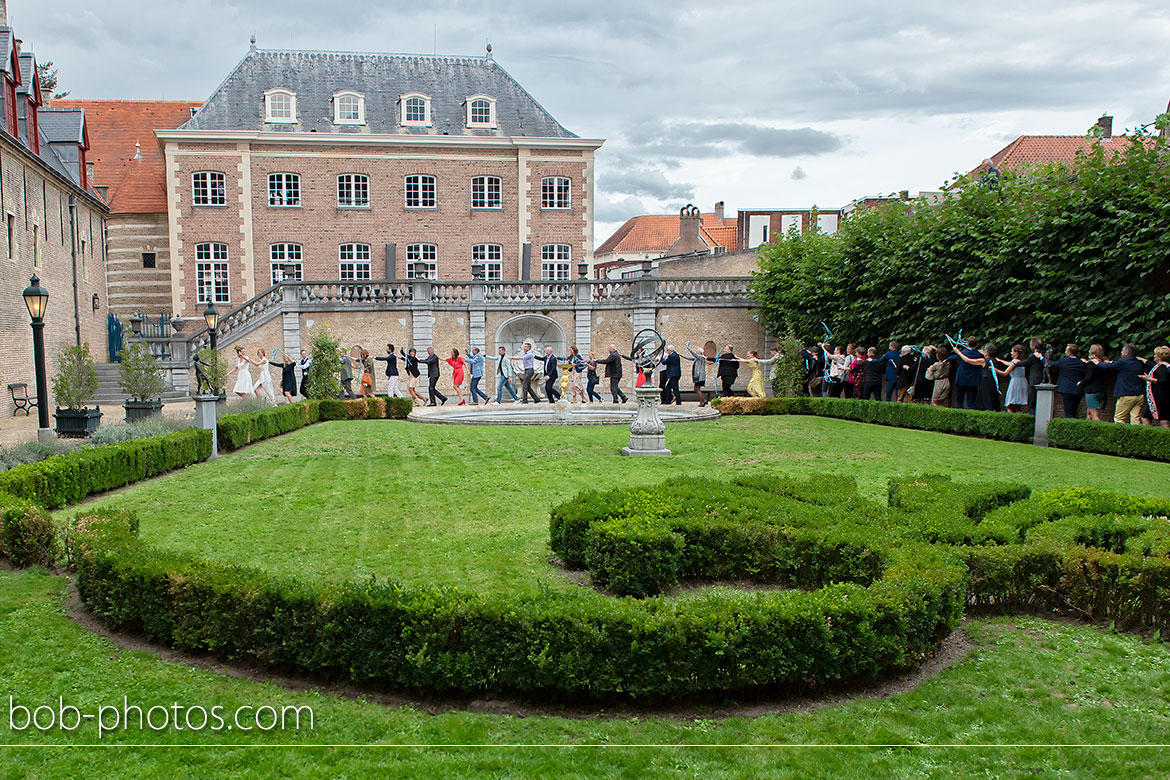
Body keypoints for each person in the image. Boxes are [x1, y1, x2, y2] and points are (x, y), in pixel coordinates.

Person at [1096, 344, 1151, 424]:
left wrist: (1097, 363)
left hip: (1126, 394)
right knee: (1135, 418)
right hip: (1139, 395)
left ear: (1126, 353)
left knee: (1119, 418)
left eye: (1122, 350)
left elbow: (1108, 366)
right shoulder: (1138, 362)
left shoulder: (1123, 362)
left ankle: (1120, 435)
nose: (1121, 352)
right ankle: (1136, 435)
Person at [1047, 343, 1088, 418]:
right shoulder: (1081, 362)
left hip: (1067, 389)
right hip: (1078, 389)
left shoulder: (1063, 361)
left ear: (1069, 352)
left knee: (1068, 411)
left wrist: (1041, 358)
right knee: (1074, 410)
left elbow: (1050, 364)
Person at [949, 337, 983, 410]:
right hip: (973, 380)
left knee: (959, 401)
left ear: (967, 343)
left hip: (962, 379)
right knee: (971, 402)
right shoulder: (979, 354)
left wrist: (946, 360)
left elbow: (954, 357)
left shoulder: (963, 353)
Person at [1140, 345, 1170, 427]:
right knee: (1163, 419)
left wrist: (1149, 379)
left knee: (1146, 417)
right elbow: (1150, 364)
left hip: (1157, 397)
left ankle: (1148, 435)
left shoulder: (1162, 367)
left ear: (1159, 357)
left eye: (1155, 355)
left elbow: (1163, 380)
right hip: (1161, 396)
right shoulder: (1163, 366)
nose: (1154, 356)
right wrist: (1141, 359)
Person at [1081, 344, 1109, 421]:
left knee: (1094, 414)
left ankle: (1099, 430)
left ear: (1093, 352)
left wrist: (1081, 382)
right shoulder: (1104, 363)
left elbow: (1089, 377)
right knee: (1089, 413)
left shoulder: (1091, 364)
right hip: (1101, 391)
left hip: (1091, 391)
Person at [1001, 344, 1029, 413]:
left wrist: (994, 369)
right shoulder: (1021, 361)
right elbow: (1009, 364)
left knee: (1010, 405)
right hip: (1022, 382)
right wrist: (1000, 360)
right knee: (1017, 406)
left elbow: (1005, 373)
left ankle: (1011, 421)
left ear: (1016, 353)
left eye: (1012, 351)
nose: (1011, 353)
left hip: (1015, 383)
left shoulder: (1014, 362)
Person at [1023, 337, 1046, 412]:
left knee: (1031, 402)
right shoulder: (1045, 353)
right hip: (1043, 379)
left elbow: (1025, 363)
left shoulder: (1033, 356)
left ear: (1034, 346)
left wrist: (1014, 363)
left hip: (1034, 380)